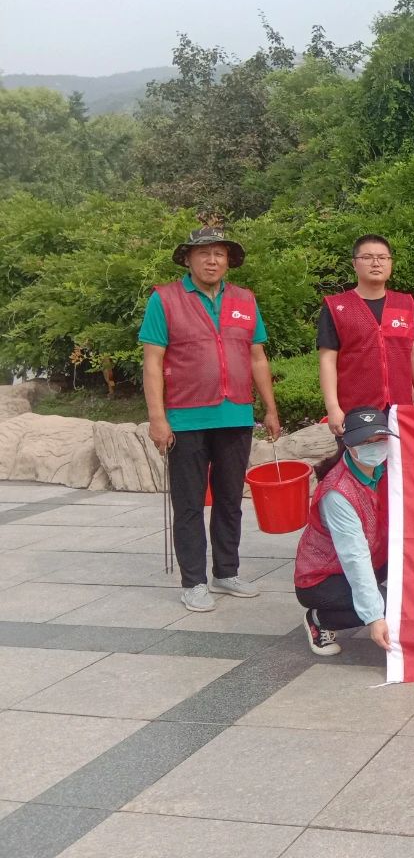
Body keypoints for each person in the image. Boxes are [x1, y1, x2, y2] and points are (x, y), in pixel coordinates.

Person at [140, 227, 281, 612]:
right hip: (185, 418)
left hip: (235, 414)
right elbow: (152, 362)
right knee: (189, 503)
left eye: (219, 253)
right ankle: (193, 582)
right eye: (203, 253)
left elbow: (257, 357)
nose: (212, 260)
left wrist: (270, 408)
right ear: (188, 259)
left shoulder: (245, 299)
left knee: (230, 499)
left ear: (228, 261)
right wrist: (157, 418)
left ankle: (226, 571)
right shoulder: (165, 299)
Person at [295, 406, 396, 656]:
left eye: (379, 440)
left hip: (376, 556)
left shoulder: (390, 470)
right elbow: (354, 557)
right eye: (365, 441)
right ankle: (319, 619)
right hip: (323, 577)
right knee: (391, 607)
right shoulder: (338, 492)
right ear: (348, 444)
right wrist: (375, 617)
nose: (374, 447)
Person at [318, 235, 414, 437]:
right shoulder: (336, 306)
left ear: (390, 263)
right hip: (356, 408)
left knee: (400, 457)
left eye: (383, 258)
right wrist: (332, 407)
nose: (376, 263)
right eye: (367, 257)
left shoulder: (405, 304)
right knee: (361, 458)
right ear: (354, 264)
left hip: (401, 407)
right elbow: (327, 360)